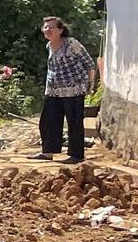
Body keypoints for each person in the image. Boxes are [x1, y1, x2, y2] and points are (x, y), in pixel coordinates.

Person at [34, 16, 99, 164]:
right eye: (45, 27)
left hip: (74, 89)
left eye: (51, 27)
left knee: (74, 121)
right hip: (53, 90)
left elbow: (88, 63)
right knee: (48, 120)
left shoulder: (71, 44)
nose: (47, 30)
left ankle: (76, 155)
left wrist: (90, 84)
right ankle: (48, 151)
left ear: (61, 30)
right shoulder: (49, 46)